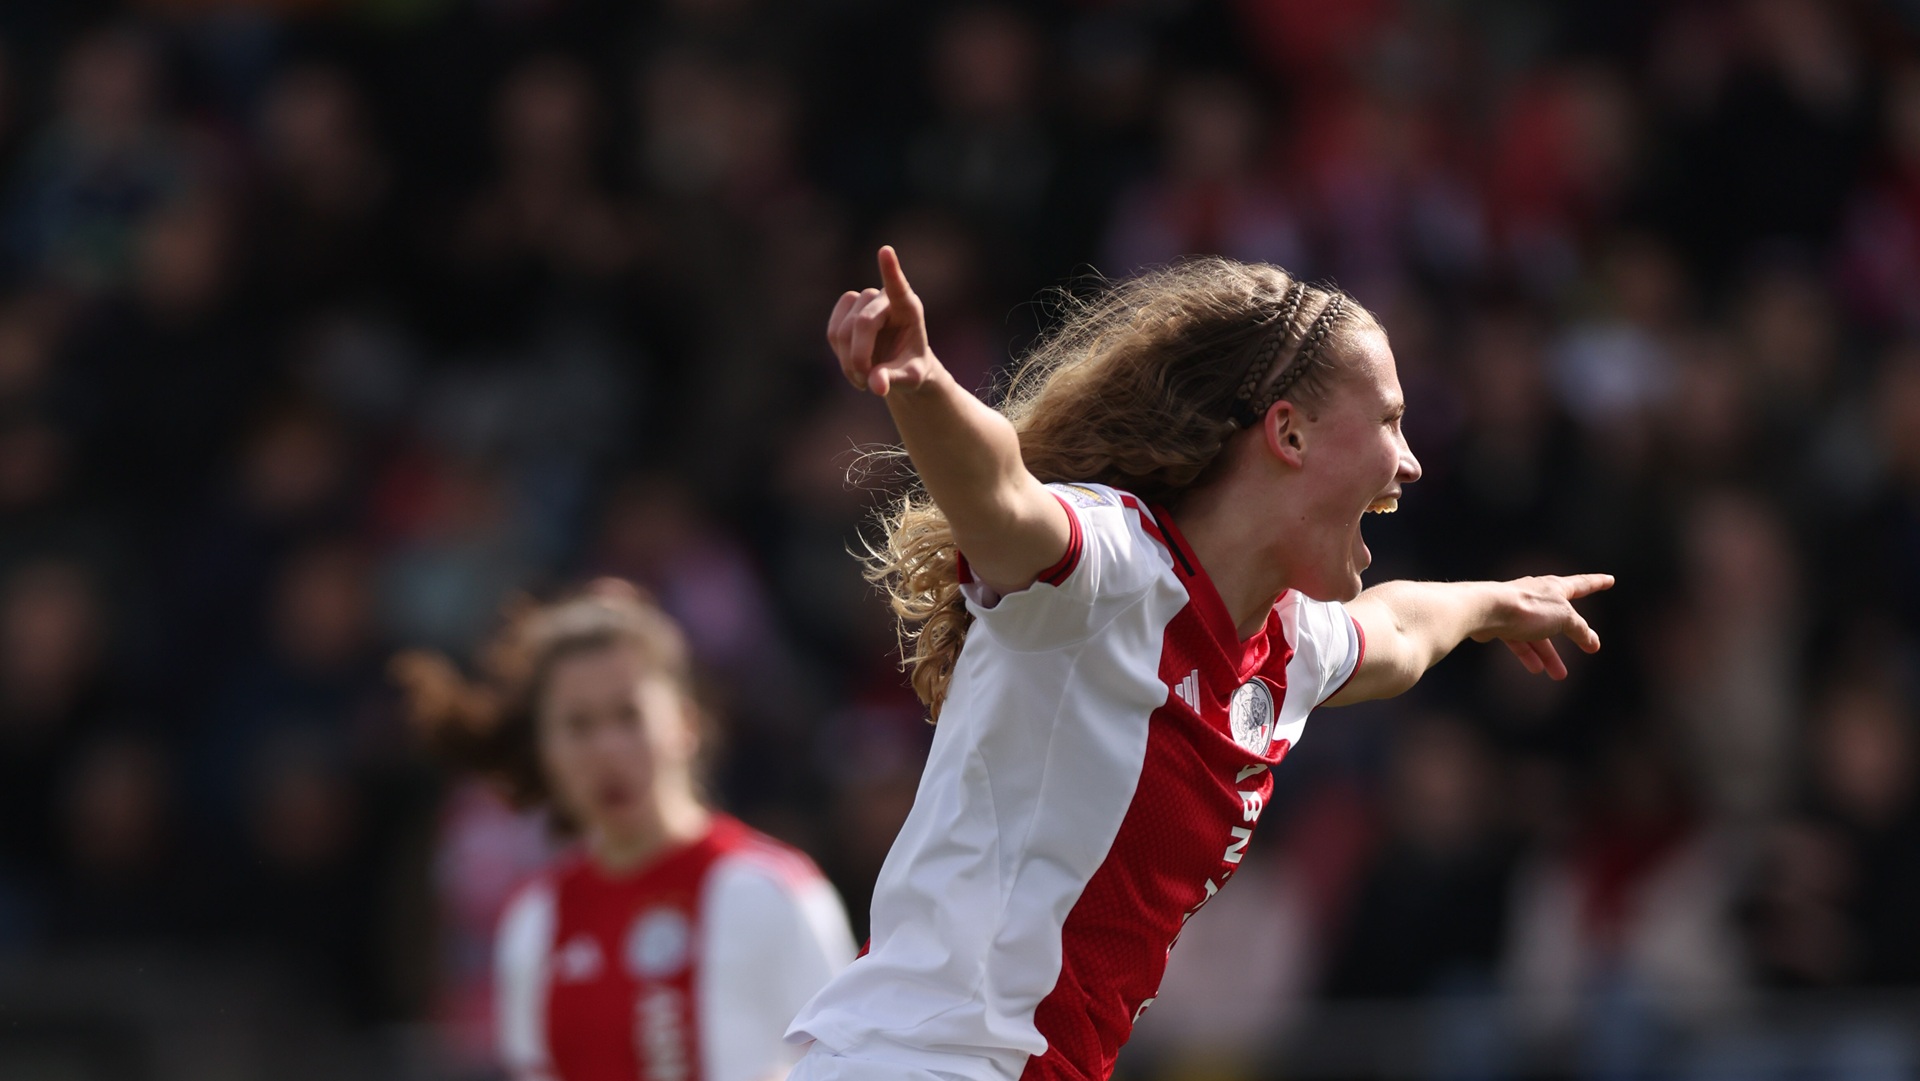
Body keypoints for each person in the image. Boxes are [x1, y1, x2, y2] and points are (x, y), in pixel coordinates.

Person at [785, 248, 1612, 1081]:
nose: (1411, 461)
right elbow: (1000, 493)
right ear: (1288, 431)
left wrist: (1494, 604)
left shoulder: (1285, 646)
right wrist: (922, 380)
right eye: (1391, 419)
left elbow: (1398, 629)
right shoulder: (1113, 567)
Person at [394, 580, 856, 1081]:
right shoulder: (534, 921)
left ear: (684, 723)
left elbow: (857, 1064)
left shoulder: (772, 892)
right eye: (578, 725)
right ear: (545, 749)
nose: (606, 749)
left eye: (628, 716)